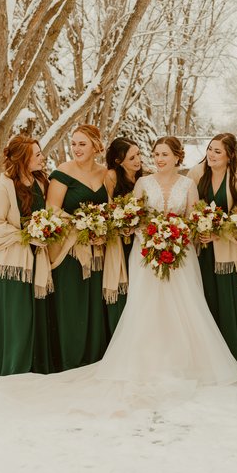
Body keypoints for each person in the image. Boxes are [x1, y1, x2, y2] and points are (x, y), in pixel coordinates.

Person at [0, 136, 237, 415]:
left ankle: (184, 360)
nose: (159, 159)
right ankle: (144, 360)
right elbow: (131, 219)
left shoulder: (188, 185)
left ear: (177, 157)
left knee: (184, 304)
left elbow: (193, 218)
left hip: (180, 253)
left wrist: (183, 233)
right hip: (145, 252)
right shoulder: (143, 184)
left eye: (164, 154)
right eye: (156, 154)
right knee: (145, 306)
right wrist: (145, 233)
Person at [0, 134, 53, 386]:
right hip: (9, 265)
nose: (42, 157)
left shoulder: (41, 181)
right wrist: (26, 236)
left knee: (31, 318)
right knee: (14, 318)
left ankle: (31, 367)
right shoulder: (5, 184)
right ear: (23, 159)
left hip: (36, 261)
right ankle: (7, 368)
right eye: (37, 154)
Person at [188, 133, 237, 371]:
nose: (211, 155)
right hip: (205, 250)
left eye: (218, 151)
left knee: (232, 301)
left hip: (230, 249)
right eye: (209, 149)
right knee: (209, 301)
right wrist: (200, 228)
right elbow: (190, 208)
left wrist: (221, 233)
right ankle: (211, 359)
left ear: (229, 155)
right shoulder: (196, 175)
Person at [46, 124, 109, 371]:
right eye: (73, 143)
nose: (76, 148)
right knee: (71, 303)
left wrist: (102, 230)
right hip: (70, 252)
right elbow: (52, 210)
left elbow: (110, 209)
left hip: (98, 251)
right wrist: (81, 226)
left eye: (82, 143)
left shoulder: (105, 174)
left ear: (95, 145)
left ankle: (93, 357)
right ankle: (69, 358)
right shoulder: (63, 172)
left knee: (95, 303)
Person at [101, 137, 146, 335]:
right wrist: (120, 226)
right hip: (119, 240)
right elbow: (107, 209)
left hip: (139, 239)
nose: (138, 161)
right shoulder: (111, 176)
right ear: (119, 161)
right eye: (132, 158)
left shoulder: (143, 178)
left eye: (138, 155)